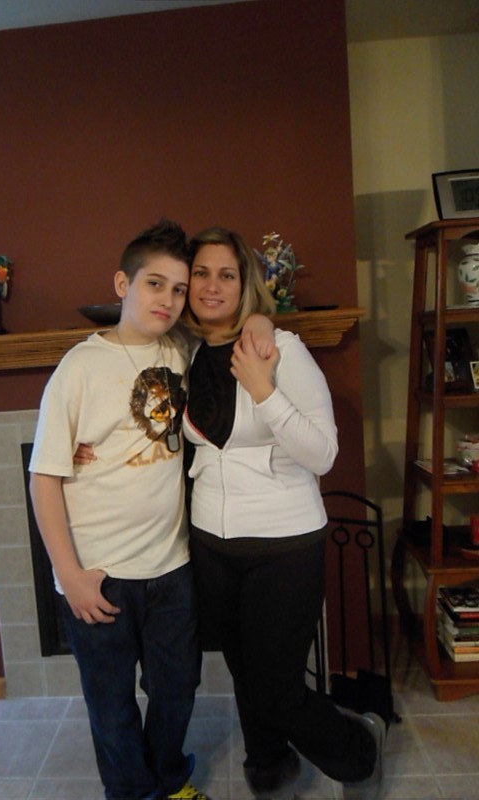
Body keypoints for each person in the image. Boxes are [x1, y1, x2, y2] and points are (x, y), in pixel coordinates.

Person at [182, 226, 386, 800]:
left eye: (227, 274)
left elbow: (323, 453)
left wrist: (264, 389)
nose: (213, 286)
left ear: (245, 283)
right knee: (246, 672)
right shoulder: (185, 352)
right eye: (201, 273)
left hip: (284, 545)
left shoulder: (282, 350)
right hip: (212, 542)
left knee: (278, 688)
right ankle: (268, 762)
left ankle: (360, 752)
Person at [29, 219, 209, 800]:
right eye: (155, 284)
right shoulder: (79, 368)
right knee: (110, 704)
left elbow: (234, 327)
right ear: (122, 284)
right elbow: (44, 478)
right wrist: (69, 576)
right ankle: (132, 793)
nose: (168, 299)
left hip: (172, 567)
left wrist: (257, 322)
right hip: (99, 573)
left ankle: (167, 778)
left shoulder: (182, 351)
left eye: (179, 289)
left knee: (178, 687)